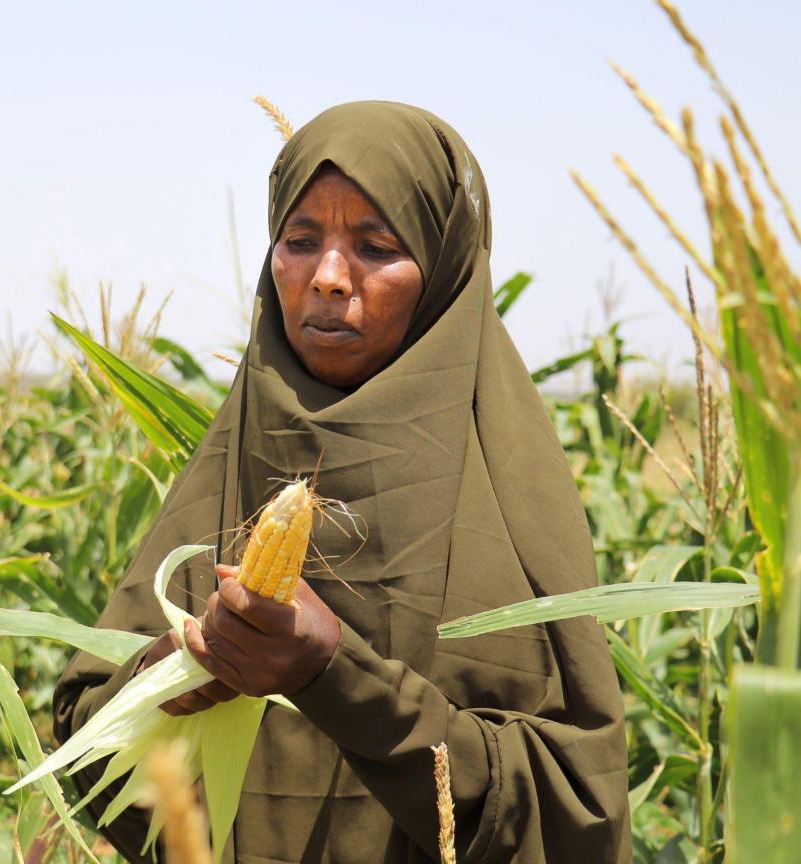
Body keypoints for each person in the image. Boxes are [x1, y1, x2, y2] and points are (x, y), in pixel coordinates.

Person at [53, 101, 630, 863]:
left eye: (375, 246)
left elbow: (574, 811)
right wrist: (175, 677)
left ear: (445, 267)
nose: (327, 277)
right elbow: (87, 745)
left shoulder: (506, 495)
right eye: (299, 242)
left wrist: (334, 675)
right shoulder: (238, 457)